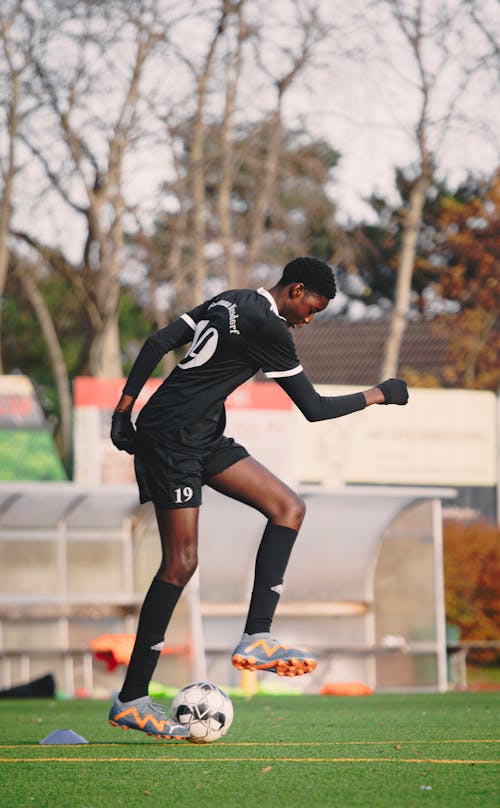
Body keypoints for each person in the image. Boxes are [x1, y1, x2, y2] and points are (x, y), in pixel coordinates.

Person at [108, 256, 408, 740]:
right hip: (172, 440)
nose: (309, 319)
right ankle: (132, 699)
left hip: (202, 436)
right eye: (312, 308)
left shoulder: (232, 298)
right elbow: (314, 408)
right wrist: (379, 393)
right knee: (180, 563)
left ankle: (257, 638)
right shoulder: (271, 329)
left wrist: (123, 410)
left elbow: (159, 341)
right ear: (296, 290)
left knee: (288, 508)